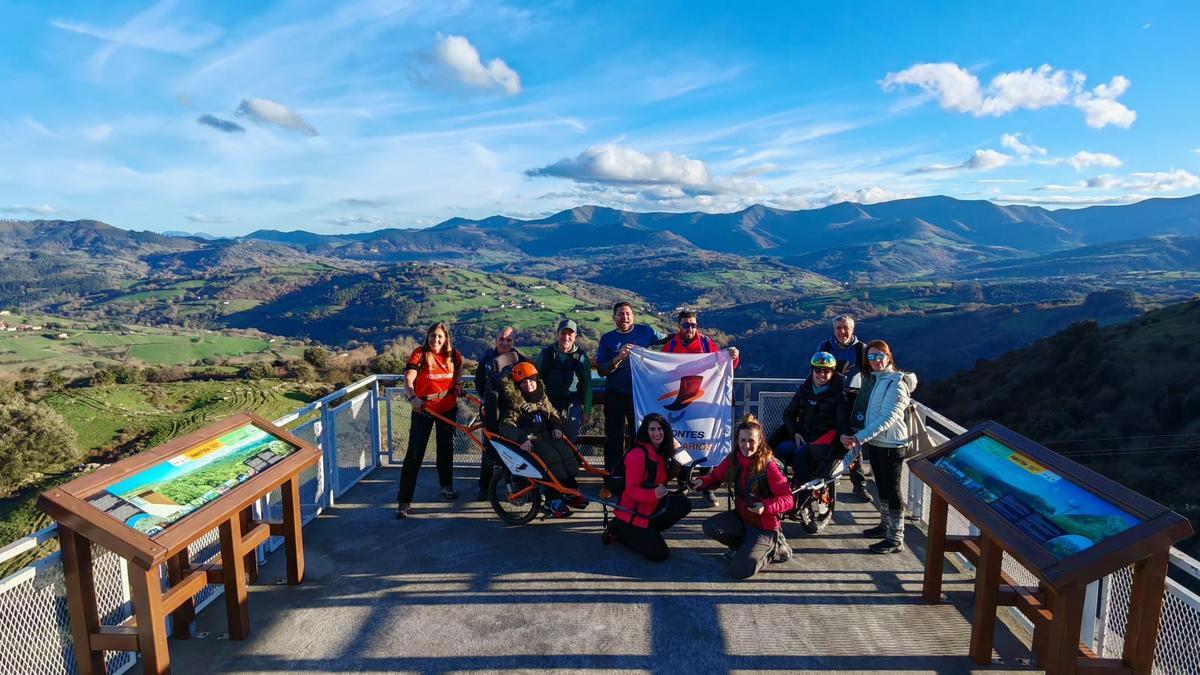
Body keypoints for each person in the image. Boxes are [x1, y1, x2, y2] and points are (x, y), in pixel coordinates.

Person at [692, 414, 794, 579]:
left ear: (760, 441)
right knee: (711, 526)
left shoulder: (769, 465)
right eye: (743, 440)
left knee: (739, 570)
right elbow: (716, 476)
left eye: (751, 441)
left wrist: (765, 506)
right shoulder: (734, 459)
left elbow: (788, 499)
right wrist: (702, 481)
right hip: (742, 518)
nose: (747, 445)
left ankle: (776, 547)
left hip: (764, 527)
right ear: (737, 441)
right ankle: (745, 547)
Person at [841, 340, 917, 554]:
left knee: (892, 490)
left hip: (892, 444)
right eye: (871, 357)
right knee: (882, 486)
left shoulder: (896, 382)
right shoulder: (876, 379)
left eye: (879, 356)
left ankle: (895, 537)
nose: (876, 360)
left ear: (888, 356)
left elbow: (888, 418)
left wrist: (859, 437)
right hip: (876, 442)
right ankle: (885, 526)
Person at [660, 308, 739, 506]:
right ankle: (683, 483)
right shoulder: (671, 345)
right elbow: (660, 368)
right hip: (680, 399)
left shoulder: (705, 342)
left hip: (703, 400)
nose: (690, 329)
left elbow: (725, 365)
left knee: (705, 442)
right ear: (679, 326)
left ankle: (706, 487)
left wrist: (734, 356)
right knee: (681, 442)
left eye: (693, 325)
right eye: (686, 325)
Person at [499, 361, 585, 518]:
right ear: (518, 385)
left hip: (547, 434)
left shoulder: (541, 396)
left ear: (536, 380)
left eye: (531, 381)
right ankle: (552, 501)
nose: (528, 385)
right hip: (530, 438)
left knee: (567, 454)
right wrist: (521, 438)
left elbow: (552, 413)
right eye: (523, 383)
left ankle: (570, 489)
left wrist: (556, 426)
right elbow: (506, 425)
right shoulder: (515, 403)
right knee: (551, 460)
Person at [602, 413, 693, 561]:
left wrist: (676, 451)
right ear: (646, 431)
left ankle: (647, 531)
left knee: (683, 503)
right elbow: (631, 490)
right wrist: (654, 494)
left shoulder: (661, 452)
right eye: (652, 429)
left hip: (650, 507)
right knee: (660, 554)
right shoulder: (637, 454)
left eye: (660, 429)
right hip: (632, 512)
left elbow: (662, 478)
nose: (657, 433)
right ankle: (618, 530)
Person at [396, 322, 463, 519]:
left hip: (447, 409)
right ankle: (404, 500)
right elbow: (408, 379)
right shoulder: (420, 354)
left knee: (446, 449)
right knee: (414, 454)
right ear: (428, 336)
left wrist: (456, 384)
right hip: (423, 409)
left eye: (440, 336)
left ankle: (446, 485)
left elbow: (458, 370)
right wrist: (412, 397)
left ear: (446, 338)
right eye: (433, 335)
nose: (436, 339)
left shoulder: (454, 355)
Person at [596, 302, 666, 472]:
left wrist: (692, 335)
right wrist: (618, 358)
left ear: (633, 316)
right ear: (614, 318)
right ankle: (612, 475)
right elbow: (601, 370)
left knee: (641, 437)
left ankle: (640, 473)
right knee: (613, 438)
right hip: (615, 394)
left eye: (627, 313)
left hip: (639, 395)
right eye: (620, 314)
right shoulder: (607, 338)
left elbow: (669, 339)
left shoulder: (646, 331)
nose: (624, 317)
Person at [772, 351, 851, 485]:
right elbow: (788, 414)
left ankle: (804, 493)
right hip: (802, 436)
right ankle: (780, 485)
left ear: (833, 372)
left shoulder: (839, 394)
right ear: (812, 370)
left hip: (823, 441)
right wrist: (795, 432)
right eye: (818, 370)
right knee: (780, 450)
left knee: (800, 455)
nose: (821, 374)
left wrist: (844, 435)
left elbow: (842, 420)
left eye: (826, 371)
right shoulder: (805, 389)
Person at [818, 315, 871, 501]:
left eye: (845, 327)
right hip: (829, 398)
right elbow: (816, 370)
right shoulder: (825, 346)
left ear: (852, 329)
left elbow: (870, 375)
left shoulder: (861, 349)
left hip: (853, 399)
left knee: (854, 441)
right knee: (828, 438)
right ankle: (828, 480)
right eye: (838, 328)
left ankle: (859, 485)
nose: (842, 331)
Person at [474, 327, 529, 499]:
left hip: (513, 412)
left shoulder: (521, 359)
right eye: (501, 339)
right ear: (496, 340)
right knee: (489, 447)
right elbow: (479, 382)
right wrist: (487, 400)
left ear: (514, 342)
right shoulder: (486, 358)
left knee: (514, 447)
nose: (505, 342)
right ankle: (484, 486)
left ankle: (518, 484)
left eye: (509, 340)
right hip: (491, 410)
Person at [538, 319, 592, 443]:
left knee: (570, 441)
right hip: (548, 402)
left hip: (572, 403)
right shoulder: (546, 354)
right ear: (557, 334)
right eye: (563, 333)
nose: (566, 337)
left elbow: (587, 385)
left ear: (575, 336)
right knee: (547, 440)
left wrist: (586, 411)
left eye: (570, 334)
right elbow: (535, 379)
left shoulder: (581, 357)